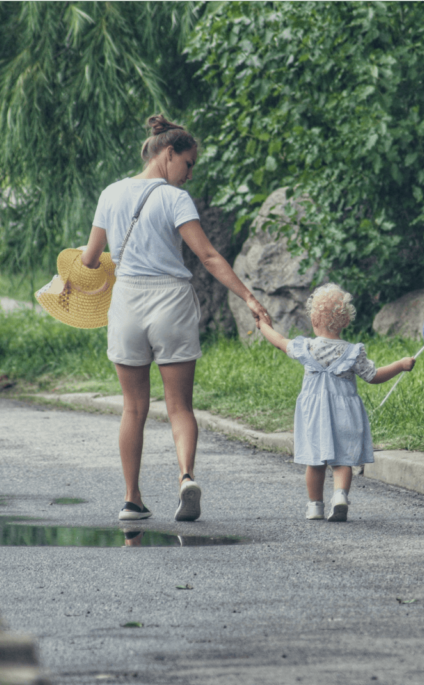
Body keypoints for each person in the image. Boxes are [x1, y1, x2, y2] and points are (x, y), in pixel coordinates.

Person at [80, 114, 271, 523]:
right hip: (171, 301)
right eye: (189, 164)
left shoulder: (110, 193)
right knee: (180, 405)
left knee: (133, 408)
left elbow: (90, 260)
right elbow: (207, 256)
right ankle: (186, 477)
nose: (189, 174)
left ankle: (132, 499)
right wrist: (250, 298)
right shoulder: (174, 198)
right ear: (169, 154)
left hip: (127, 303)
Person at [256, 283, 415, 521]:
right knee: (342, 461)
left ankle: (315, 506)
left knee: (315, 462)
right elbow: (374, 376)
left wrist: (263, 326)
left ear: (314, 319)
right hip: (345, 413)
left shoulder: (306, 347)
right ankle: (340, 496)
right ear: (345, 321)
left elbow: (279, 341)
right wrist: (400, 365)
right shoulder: (352, 352)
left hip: (315, 414)